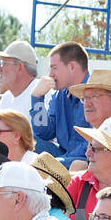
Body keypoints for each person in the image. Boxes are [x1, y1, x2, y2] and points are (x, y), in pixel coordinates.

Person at [31, 41, 91, 169]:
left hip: (88, 159)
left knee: (41, 165)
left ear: (72, 67)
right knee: (26, 140)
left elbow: (93, 143)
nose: (50, 74)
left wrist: (60, 161)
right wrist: (37, 98)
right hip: (65, 157)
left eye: (54, 68)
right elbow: (44, 133)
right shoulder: (59, 95)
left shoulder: (97, 92)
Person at [0, 40, 40, 118]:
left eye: (3, 63)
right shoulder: (6, 98)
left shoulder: (42, 94)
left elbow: (41, 129)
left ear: (19, 67)